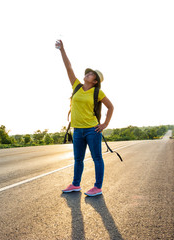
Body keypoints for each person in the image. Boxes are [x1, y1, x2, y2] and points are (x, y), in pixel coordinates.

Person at [56, 39, 114, 197]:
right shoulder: (76, 86)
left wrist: (104, 124)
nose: (87, 74)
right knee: (78, 159)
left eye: (91, 75)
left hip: (92, 130)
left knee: (97, 158)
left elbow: (111, 107)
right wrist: (62, 50)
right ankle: (75, 184)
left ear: (95, 81)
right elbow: (69, 68)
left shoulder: (98, 92)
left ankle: (98, 187)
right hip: (77, 130)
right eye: (88, 73)